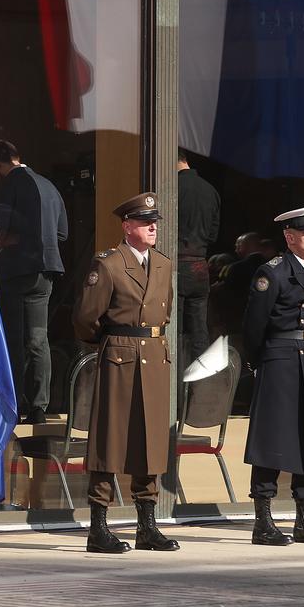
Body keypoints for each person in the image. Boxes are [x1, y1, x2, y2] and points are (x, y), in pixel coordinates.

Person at [74, 191, 179, 554]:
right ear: (127, 226)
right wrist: (109, 344)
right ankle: (98, 527)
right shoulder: (109, 264)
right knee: (110, 439)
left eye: (154, 223)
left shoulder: (163, 265)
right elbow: (86, 320)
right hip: (119, 355)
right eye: (145, 222)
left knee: (150, 441)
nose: (152, 227)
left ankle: (146, 526)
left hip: (153, 355)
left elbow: (162, 316)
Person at [241, 206, 304, 547]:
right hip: (279, 359)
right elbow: (254, 325)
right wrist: (257, 361)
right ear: (289, 237)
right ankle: (263, 521)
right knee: (272, 439)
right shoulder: (273, 272)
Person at [0, 139, 69, 423]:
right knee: (38, 339)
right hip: (46, 271)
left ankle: (14, 403)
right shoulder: (50, 186)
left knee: (14, 338)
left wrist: (5, 243)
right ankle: (39, 407)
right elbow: (62, 234)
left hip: (16, 271)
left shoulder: (10, 185)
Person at [175, 151, 221, 370]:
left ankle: (174, 394)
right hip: (200, 265)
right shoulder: (210, 190)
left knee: (174, 331)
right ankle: (200, 393)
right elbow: (213, 235)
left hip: (176, 265)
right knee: (199, 332)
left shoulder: (170, 187)